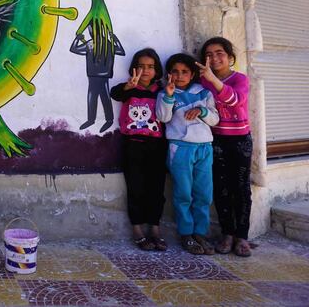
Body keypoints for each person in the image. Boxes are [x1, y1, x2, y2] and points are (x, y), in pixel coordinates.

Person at [156, 53, 219, 256]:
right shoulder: (166, 93)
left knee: (203, 193)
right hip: (180, 148)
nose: (180, 75)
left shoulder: (204, 93)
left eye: (185, 72)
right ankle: (186, 234)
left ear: (192, 74)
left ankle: (200, 232)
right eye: (175, 71)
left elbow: (215, 119)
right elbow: (163, 117)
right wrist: (168, 96)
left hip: (204, 148)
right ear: (169, 74)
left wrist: (202, 112)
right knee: (183, 193)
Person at [198, 37, 253, 257]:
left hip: (240, 141)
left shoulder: (240, 79)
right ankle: (227, 234)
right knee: (220, 189)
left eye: (219, 53)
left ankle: (242, 236)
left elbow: (236, 100)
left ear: (230, 58)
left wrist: (213, 79)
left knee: (240, 189)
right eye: (209, 54)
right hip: (216, 141)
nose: (214, 57)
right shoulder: (203, 84)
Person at [110, 48, 167, 251]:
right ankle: (137, 229)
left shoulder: (161, 91)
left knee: (156, 189)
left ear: (157, 70)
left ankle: (155, 229)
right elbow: (114, 94)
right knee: (135, 188)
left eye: (150, 67)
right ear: (134, 69)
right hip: (132, 145)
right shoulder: (128, 89)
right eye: (141, 66)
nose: (146, 71)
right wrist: (127, 86)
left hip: (157, 146)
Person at [70, 24, 125, 132]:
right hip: (96, 75)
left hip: (100, 75)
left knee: (100, 97)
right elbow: (120, 50)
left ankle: (106, 120)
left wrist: (77, 39)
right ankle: (94, 119)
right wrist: (115, 40)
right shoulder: (95, 43)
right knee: (96, 97)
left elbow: (74, 48)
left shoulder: (96, 44)